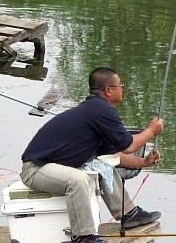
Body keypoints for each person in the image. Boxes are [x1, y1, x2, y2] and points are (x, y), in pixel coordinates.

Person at [20, 68, 164, 243]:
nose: (123, 88)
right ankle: (83, 236)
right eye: (121, 85)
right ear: (109, 90)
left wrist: (143, 162)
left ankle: (129, 214)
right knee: (77, 179)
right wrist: (151, 131)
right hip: (36, 169)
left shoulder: (97, 110)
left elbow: (112, 154)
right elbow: (128, 145)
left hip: (54, 167)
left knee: (102, 166)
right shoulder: (100, 110)